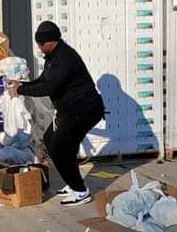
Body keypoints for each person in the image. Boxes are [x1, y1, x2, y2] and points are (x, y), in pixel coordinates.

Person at [8, 21, 105, 206]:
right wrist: (22, 84)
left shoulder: (64, 58)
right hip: (69, 111)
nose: (39, 47)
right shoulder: (52, 56)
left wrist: (21, 92)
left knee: (60, 148)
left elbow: (49, 86)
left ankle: (80, 190)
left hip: (83, 111)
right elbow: (43, 79)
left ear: (52, 41)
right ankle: (72, 182)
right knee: (50, 140)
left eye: (41, 44)